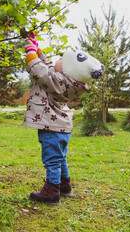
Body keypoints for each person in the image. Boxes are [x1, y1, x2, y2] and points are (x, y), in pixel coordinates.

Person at [23, 33, 104, 205]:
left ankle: (51, 192)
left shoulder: (57, 81)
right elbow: (47, 65)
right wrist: (37, 47)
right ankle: (65, 186)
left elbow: (39, 70)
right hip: (61, 127)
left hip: (52, 128)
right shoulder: (68, 81)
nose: (57, 60)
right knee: (60, 158)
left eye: (61, 60)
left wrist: (30, 52)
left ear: (67, 71)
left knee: (52, 160)